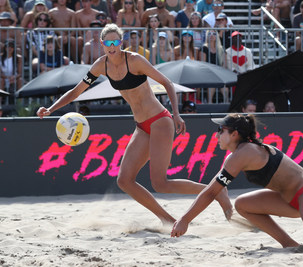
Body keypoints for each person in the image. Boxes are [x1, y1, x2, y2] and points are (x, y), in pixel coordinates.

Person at [36, 23, 232, 225]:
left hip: (160, 120)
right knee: (124, 181)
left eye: (116, 42)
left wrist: (176, 114)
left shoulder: (135, 60)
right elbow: (77, 91)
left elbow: (167, 83)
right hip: (141, 126)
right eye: (108, 43)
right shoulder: (100, 65)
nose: (112, 46)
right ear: (102, 44)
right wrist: (51, 109)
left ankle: (218, 190)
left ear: (121, 42)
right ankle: (167, 219)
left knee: (161, 183)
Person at [171, 113, 303, 255]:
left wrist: (185, 219)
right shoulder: (237, 155)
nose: (216, 135)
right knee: (243, 204)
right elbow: (213, 189)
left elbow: (211, 192)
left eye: (220, 130)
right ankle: (290, 244)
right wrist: (224, 207)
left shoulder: (244, 153)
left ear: (234, 134)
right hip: (289, 200)